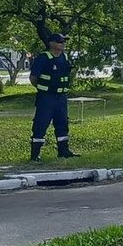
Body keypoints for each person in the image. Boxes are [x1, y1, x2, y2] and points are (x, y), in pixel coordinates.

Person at [29, 33, 79, 161]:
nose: (63, 44)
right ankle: (35, 155)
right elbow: (33, 78)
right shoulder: (43, 58)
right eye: (60, 41)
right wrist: (44, 88)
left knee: (62, 123)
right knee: (41, 124)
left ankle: (63, 151)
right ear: (51, 43)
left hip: (61, 96)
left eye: (64, 41)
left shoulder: (64, 57)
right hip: (46, 97)